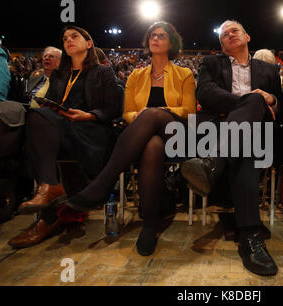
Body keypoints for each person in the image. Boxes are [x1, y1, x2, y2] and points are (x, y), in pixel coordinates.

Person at [60, 21, 196, 256]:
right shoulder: (136, 75)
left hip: (177, 135)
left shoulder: (184, 74)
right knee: (152, 146)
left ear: (171, 43)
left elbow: (190, 111)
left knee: (153, 115)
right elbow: (127, 113)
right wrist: (142, 116)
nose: (155, 38)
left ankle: (102, 183)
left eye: (161, 35)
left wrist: (159, 111)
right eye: (152, 35)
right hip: (145, 139)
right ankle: (150, 224)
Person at [180, 20, 280, 276]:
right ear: (222, 44)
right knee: (245, 139)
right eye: (224, 34)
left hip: (257, 134)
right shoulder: (212, 63)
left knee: (248, 129)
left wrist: (271, 99)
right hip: (217, 128)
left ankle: (212, 162)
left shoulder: (268, 69)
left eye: (234, 31)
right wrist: (251, 102)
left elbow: (279, 107)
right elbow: (205, 93)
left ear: (247, 36)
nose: (229, 35)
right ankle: (250, 236)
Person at [9, 25, 122, 248]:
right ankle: (50, 192)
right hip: (61, 130)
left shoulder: (102, 72)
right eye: (65, 38)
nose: (68, 40)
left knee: (37, 121)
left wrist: (89, 115)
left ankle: (48, 215)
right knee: (35, 115)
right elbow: (48, 105)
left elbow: (113, 109)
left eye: (74, 36)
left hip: (90, 131)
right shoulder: (60, 75)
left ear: (89, 44)